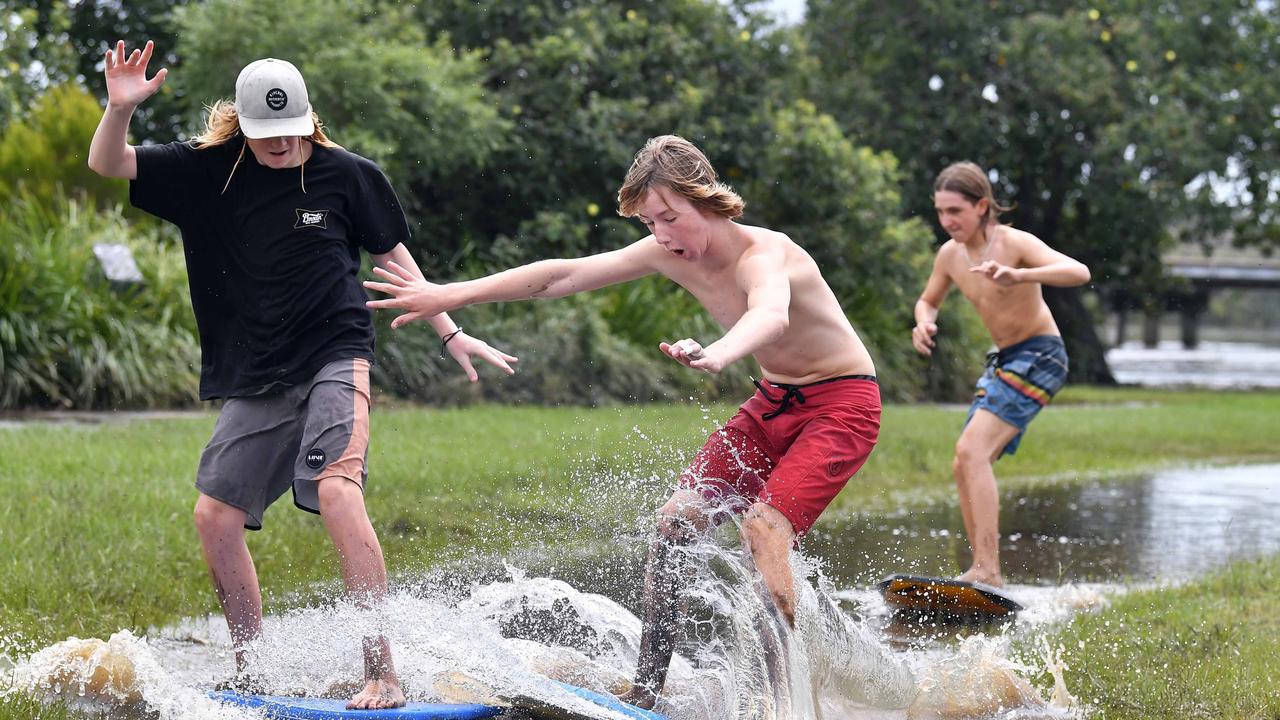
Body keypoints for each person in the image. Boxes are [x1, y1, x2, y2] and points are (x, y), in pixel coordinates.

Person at [363, 134, 882, 710]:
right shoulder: (666, 249)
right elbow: (560, 276)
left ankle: (785, 705)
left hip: (842, 405)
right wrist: (446, 294)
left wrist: (721, 352)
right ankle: (645, 697)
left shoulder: (765, 253)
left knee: (762, 529)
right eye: (647, 221)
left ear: (705, 200)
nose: (660, 234)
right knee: (676, 522)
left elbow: (772, 313)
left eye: (669, 217)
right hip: (771, 404)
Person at [86, 41, 516, 710]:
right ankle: (251, 667)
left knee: (337, 491)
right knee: (214, 516)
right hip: (255, 373)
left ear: (308, 121)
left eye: (291, 133)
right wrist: (118, 109)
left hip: (334, 354)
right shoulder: (209, 173)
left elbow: (398, 262)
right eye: (266, 135)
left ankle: (383, 670)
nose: (281, 146)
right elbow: (107, 162)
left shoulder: (349, 176)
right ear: (244, 127)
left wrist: (450, 328)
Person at [912, 161, 1090, 588]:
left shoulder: (1013, 243)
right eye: (940, 212)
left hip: (1042, 355)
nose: (947, 221)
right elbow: (928, 300)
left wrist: (1019, 274)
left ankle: (988, 571)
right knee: (964, 461)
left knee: (972, 452)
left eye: (955, 211)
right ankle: (984, 571)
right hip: (1005, 360)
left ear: (982, 205)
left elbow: (1079, 272)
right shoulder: (950, 255)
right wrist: (924, 321)